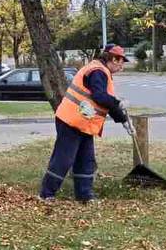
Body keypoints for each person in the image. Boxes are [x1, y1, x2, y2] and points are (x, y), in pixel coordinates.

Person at [40, 44, 130, 203]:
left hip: (83, 123)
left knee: (85, 159)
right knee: (64, 158)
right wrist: (118, 103)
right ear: (113, 59)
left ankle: (85, 195)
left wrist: (123, 120)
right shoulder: (97, 71)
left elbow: (105, 102)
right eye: (121, 61)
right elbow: (100, 97)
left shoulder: (102, 72)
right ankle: (46, 194)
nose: (122, 66)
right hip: (71, 121)